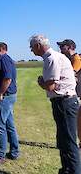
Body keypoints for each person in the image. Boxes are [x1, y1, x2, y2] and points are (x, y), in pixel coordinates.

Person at [30, 35, 80, 174]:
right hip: (63, 102)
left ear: (38, 46)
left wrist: (41, 82)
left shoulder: (52, 58)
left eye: (32, 47)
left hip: (65, 102)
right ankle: (66, 169)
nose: (31, 50)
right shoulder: (53, 57)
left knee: (69, 142)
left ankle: (73, 170)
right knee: (63, 141)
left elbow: (51, 86)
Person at [57, 39, 81, 148]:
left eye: (63, 46)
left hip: (77, 94)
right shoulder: (68, 59)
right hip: (75, 92)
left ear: (70, 47)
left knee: (76, 120)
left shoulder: (76, 59)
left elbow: (71, 75)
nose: (60, 48)